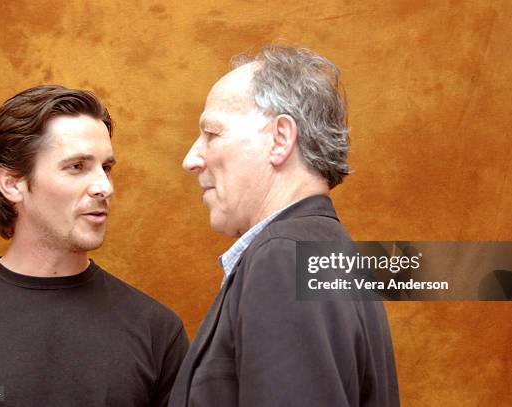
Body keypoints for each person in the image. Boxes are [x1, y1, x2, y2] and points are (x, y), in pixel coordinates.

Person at [169, 46, 399, 406]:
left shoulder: (283, 259)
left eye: (212, 133)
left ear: (280, 139)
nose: (191, 159)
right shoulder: (325, 254)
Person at [0, 85, 188, 406]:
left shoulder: (157, 331)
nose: (103, 187)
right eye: (77, 166)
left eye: (106, 168)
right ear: (11, 183)